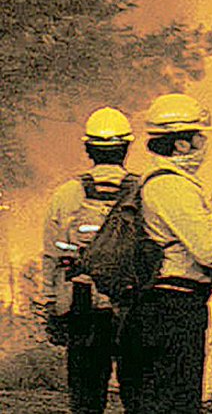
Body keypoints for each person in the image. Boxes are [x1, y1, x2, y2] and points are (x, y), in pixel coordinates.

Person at [120, 92, 212, 414]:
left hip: (158, 307)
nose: (202, 145)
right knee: (177, 399)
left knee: (153, 399)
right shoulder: (174, 187)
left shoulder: (157, 182)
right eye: (198, 137)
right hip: (173, 309)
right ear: (181, 144)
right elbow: (209, 252)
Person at [42, 107, 138, 413]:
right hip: (132, 307)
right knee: (138, 396)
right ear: (126, 148)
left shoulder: (67, 194)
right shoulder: (143, 192)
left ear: (88, 149)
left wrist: (52, 306)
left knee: (86, 396)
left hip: (82, 308)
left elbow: (54, 256)